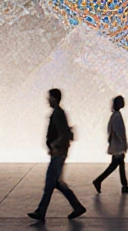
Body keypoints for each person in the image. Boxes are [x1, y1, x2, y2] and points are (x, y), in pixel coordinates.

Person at [28, 88, 87, 222]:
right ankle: (77, 207)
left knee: (50, 182)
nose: (47, 100)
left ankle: (41, 212)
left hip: (58, 154)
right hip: (59, 153)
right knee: (56, 183)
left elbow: (64, 134)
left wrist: (54, 145)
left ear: (54, 98)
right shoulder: (57, 113)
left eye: (49, 97)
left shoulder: (58, 114)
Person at [93, 95, 128, 194]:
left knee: (117, 165)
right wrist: (123, 143)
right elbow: (119, 131)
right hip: (118, 145)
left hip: (116, 145)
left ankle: (123, 185)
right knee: (116, 165)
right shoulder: (117, 115)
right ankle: (99, 181)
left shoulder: (114, 115)